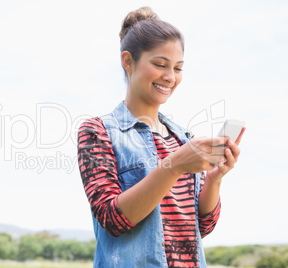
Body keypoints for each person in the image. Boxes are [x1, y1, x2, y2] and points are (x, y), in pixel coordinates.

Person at [77, 6, 245, 268]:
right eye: (160, 64)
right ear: (128, 61)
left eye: (178, 68)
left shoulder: (183, 138)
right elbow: (112, 219)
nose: (170, 77)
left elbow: (202, 226)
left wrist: (214, 179)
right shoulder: (97, 131)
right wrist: (174, 165)